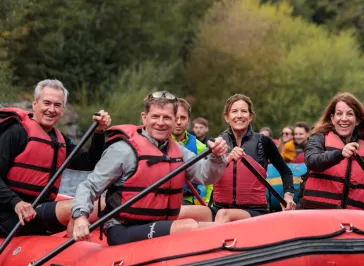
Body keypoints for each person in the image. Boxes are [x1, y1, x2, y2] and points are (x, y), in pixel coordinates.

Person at [71, 91, 228, 245]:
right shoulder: (123, 150)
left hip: (159, 225)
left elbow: (206, 176)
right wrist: (80, 217)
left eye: (167, 117)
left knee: (217, 228)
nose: (160, 122)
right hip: (122, 228)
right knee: (188, 226)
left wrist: (217, 157)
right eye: (155, 116)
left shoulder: (178, 150)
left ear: (174, 121)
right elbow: (89, 186)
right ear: (144, 118)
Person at [0, 79, 111, 237]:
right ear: (34, 104)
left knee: (103, 203)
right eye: (46, 103)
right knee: (75, 207)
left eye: (57, 105)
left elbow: (88, 162)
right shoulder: (16, 132)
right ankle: (74, 254)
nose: (51, 109)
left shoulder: (59, 140)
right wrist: (16, 203)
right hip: (9, 214)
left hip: (37, 211)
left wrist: (99, 133)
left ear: (62, 110)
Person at [185, 94, 296, 224]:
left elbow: (285, 171)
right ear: (227, 117)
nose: (239, 115)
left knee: (223, 214)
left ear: (250, 117)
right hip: (219, 207)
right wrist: (227, 159)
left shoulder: (263, 142)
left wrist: (288, 196)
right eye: (234, 111)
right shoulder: (218, 142)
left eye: (244, 111)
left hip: (254, 211)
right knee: (183, 212)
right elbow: (207, 173)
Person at [298, 92, 364, 219]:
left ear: (357, 120)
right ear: (332, 118)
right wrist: (340, 154)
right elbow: (312, 161)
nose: (344, 118)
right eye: (339, 114)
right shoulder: (318, 138)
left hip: (353, 219)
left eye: (349, 114)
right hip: (317, 214)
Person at [171, 98, 213, 205]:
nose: (178, 122)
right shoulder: (158, 143)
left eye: (183, 118)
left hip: (191, 202)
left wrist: (207, 202)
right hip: (165, 200)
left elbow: (209, 180)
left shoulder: (201, 148)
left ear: (189, 121)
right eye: (175, 118)